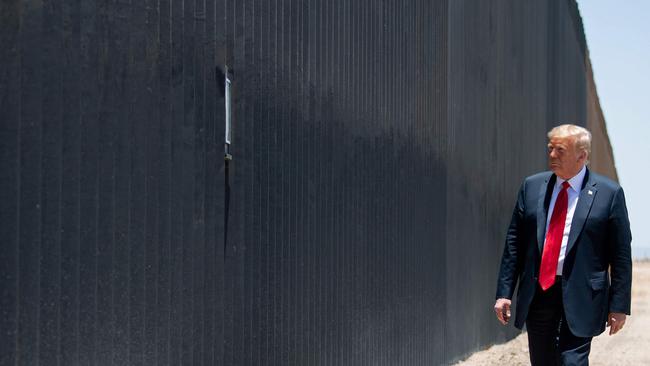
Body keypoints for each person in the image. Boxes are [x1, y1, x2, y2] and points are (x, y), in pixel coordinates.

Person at [494, 124, 632, 365]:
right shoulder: (532, 187)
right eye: (550, 149)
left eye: (560, 150)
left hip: (583, 294)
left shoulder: (609, 194)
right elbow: (514, 243)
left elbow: (620, 254)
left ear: (582, 156)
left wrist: (619, 305)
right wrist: (504, 293)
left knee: (572, 361)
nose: (552, 156)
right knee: (543, 361)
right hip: (539, 293)